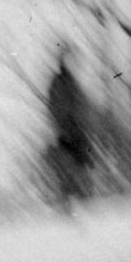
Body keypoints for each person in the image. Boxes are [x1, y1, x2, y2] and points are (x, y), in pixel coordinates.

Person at [44, 42, 94, 211]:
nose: (71, 60)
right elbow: (56, 108)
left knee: (82, 170)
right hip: (67, 132)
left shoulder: (73, 81)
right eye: (67, 56)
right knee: (69, 172)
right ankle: (68, 208)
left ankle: (82, 206)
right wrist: (65, 127)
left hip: (79, 131)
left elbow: (81, 107)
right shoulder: (58, 81)